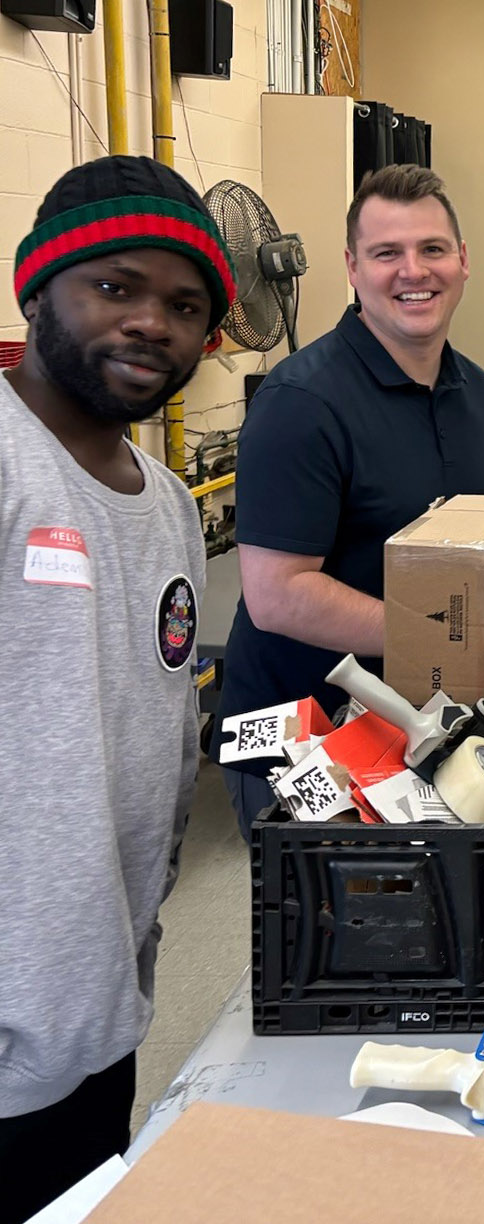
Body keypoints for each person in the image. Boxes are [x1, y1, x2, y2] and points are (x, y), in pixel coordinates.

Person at [0, 156, 237, 1222]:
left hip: (99, 1003)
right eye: (115, 287)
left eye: (184, 306)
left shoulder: (171, 506)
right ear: (38, 287)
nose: (151, 323)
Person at [218, 165, 484, 838]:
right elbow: (278, 595)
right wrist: (449, 641)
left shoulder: (477, 397)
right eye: (386, 254)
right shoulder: (301, 405)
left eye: (431, 249)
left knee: (419, 925)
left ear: (462, 261)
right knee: (325, 928)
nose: (413, 271)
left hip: (413, 722)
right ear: (352, 268)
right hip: (300, 736)